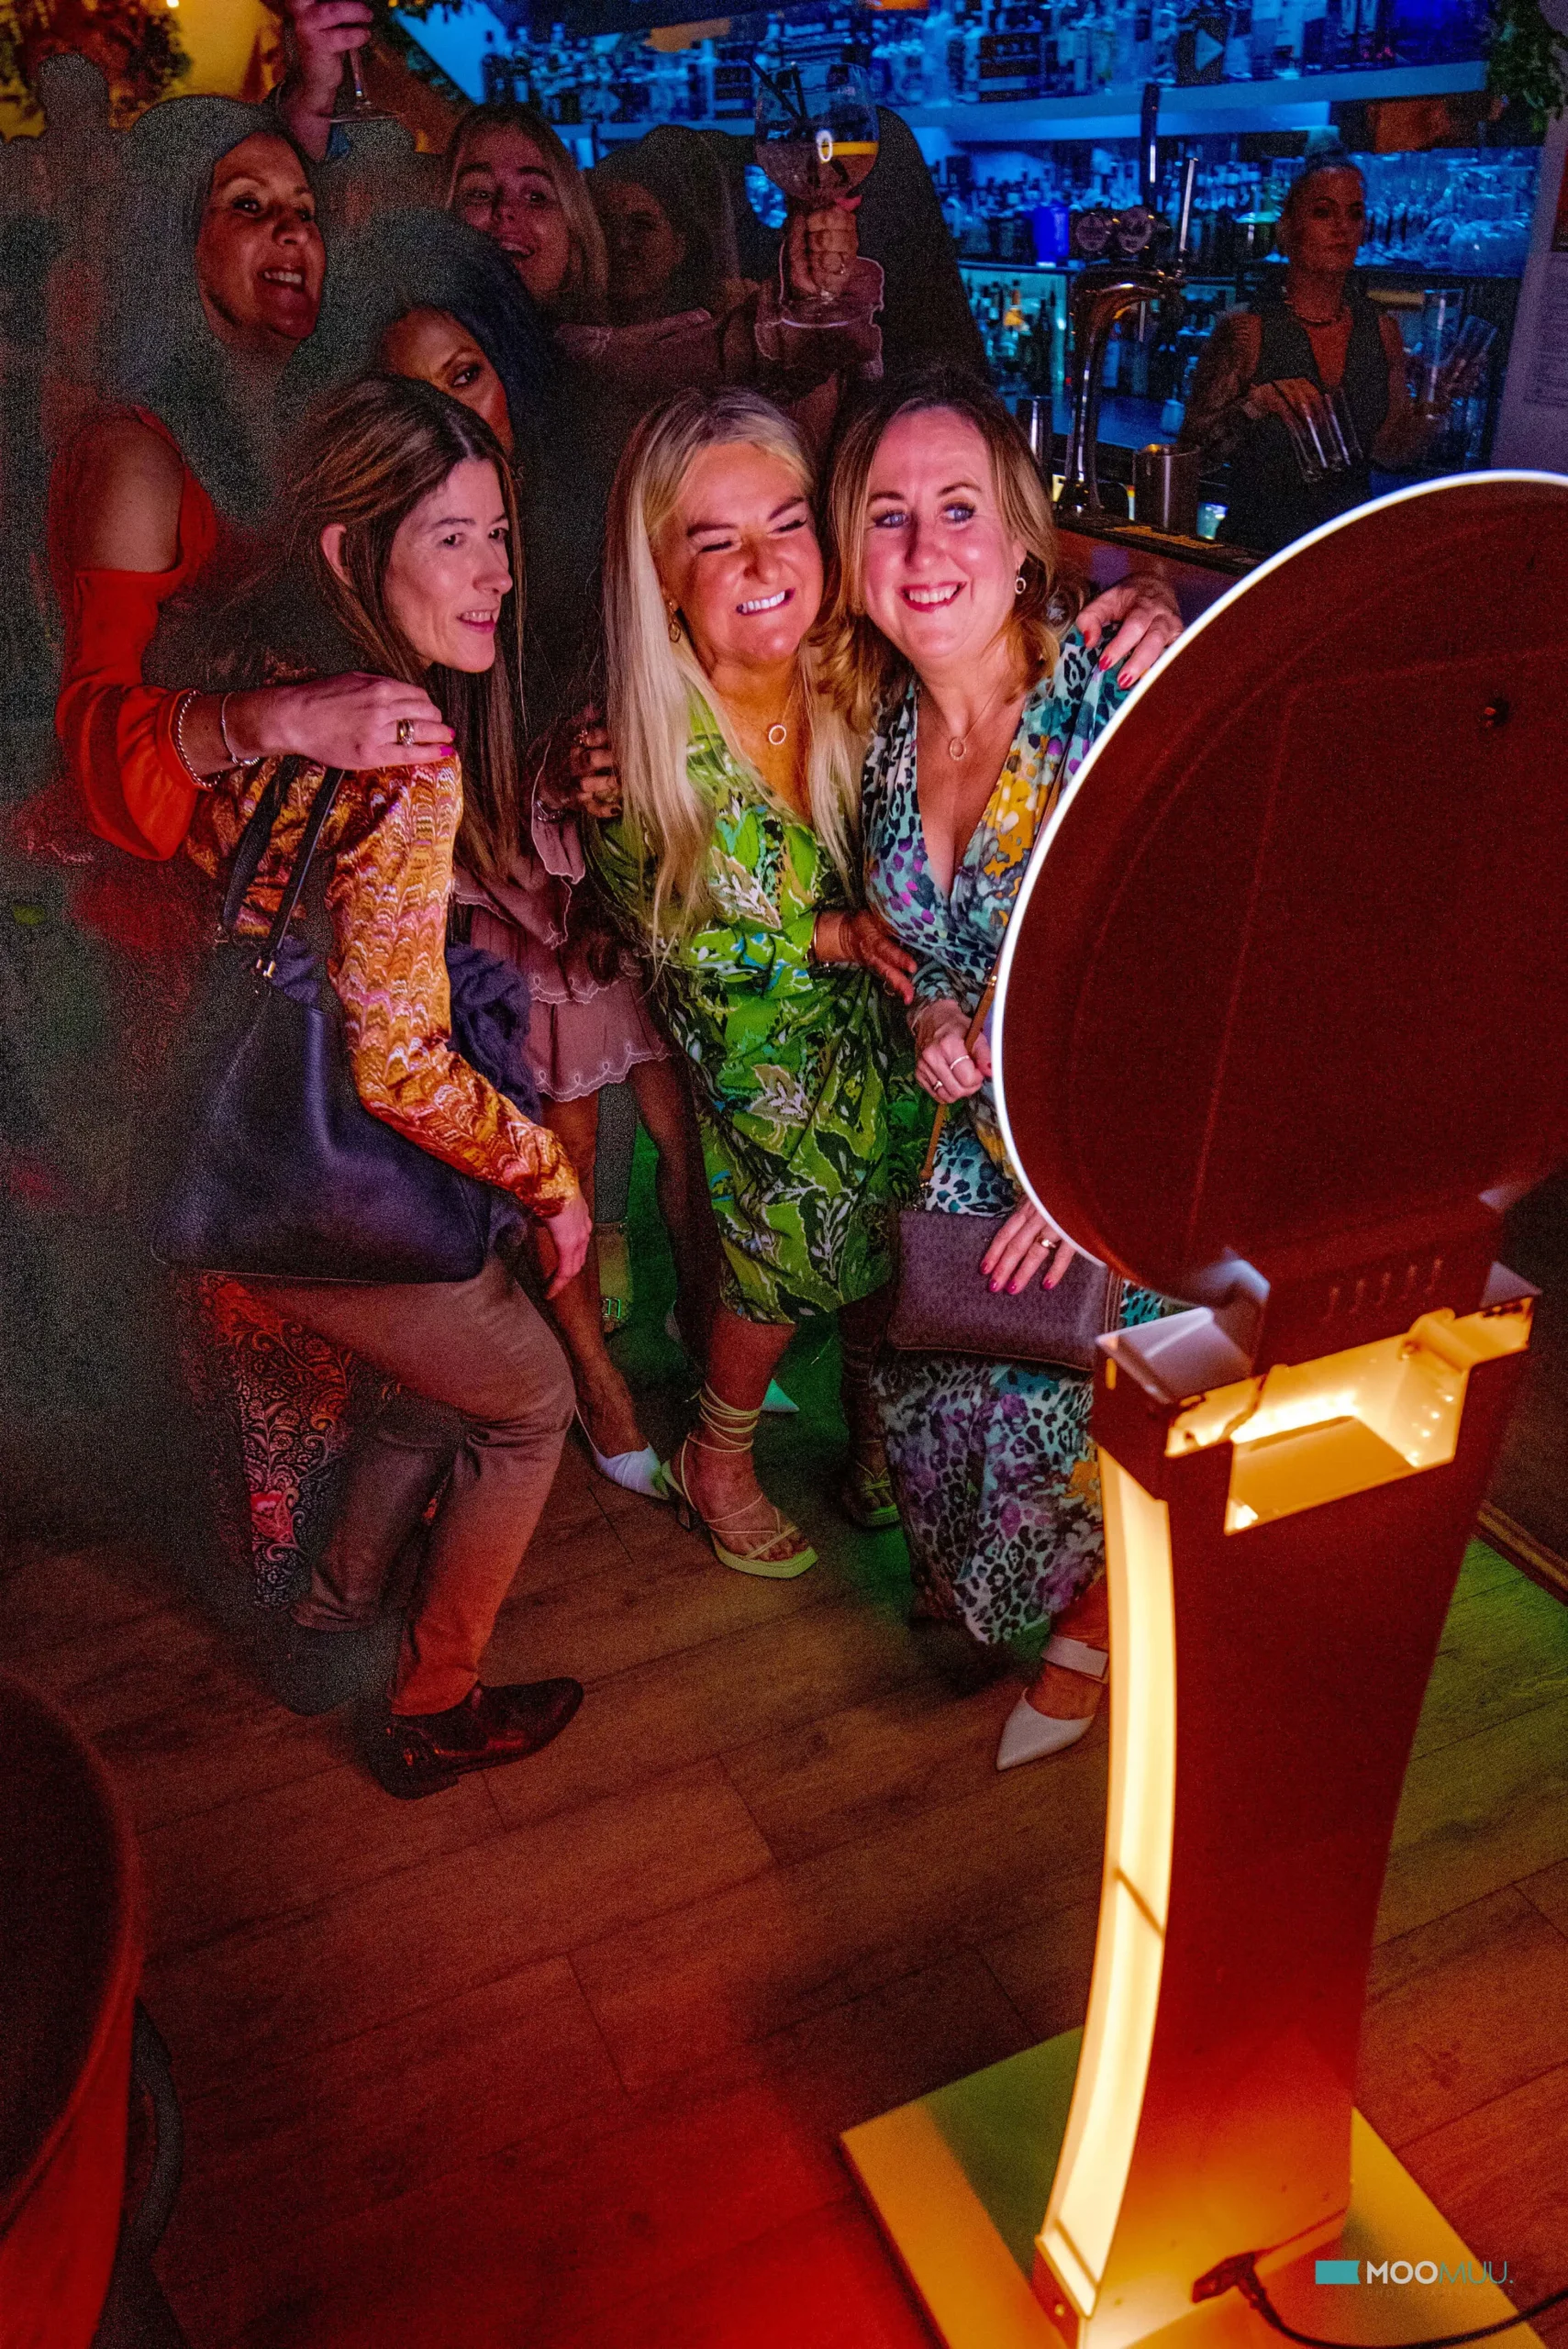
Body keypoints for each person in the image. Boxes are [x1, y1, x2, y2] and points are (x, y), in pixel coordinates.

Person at [177, 373, 592, 1797]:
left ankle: (327, 1620)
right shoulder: (406, 751)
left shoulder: (270, 685)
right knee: (529, 1397)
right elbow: (399, 1062)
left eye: (498, 536)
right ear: (354, 554)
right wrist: (551, 1177)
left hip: (243, 1154)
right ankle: (431, 1706)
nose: (494, 574)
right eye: (451, 540)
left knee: (447, 1370)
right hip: (318, 1179)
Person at [295, 206, 717, 1490]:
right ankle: (594, 1386)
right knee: (564, 1156)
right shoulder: (385, 627)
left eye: (468, 375)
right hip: (491, 927)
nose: (451, 419)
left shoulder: (575, 543)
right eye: (416, 392)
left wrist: (602, 793)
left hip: (606, 903)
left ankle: (712, 1370)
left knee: (685, 1137)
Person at [821, 367, 1180, 1771]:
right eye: (888, 514)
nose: (924, 548)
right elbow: (924, 950)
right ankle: (998, 1600)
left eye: (959, 508)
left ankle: (1093, 1630)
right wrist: (928, 1016)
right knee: (935, 1411)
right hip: (968, 1159)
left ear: (1025, 537)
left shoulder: (1107, 699)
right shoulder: (882, 742)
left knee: (1078, 1426)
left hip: (1115, 1150)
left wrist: (1083, 1184)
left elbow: (1192, 958)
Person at [590, 385, 925, 1575]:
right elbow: (676, 947)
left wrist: (1131, 600)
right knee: (788, 1234)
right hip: (756, 1029)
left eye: (787, 524)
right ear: (661, 572)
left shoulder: (866, 670)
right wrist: (826, 937)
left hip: (889, 1014)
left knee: (898, 1215)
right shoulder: (635, 749)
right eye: (716, 540)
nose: (764, 563)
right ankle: (716, 1456)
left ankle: (874, 1425)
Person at [1178, 156, 1476, 555]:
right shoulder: (1246, 331)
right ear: (1289, 229)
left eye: (1354, 214)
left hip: (1345, 551)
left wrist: (1436, 405)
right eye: (1323, 212)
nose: (1342, 227)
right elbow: (1193, 458)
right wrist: (1255, 405)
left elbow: (1390, 453)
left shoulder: (1382, 331)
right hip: (1256, 553)